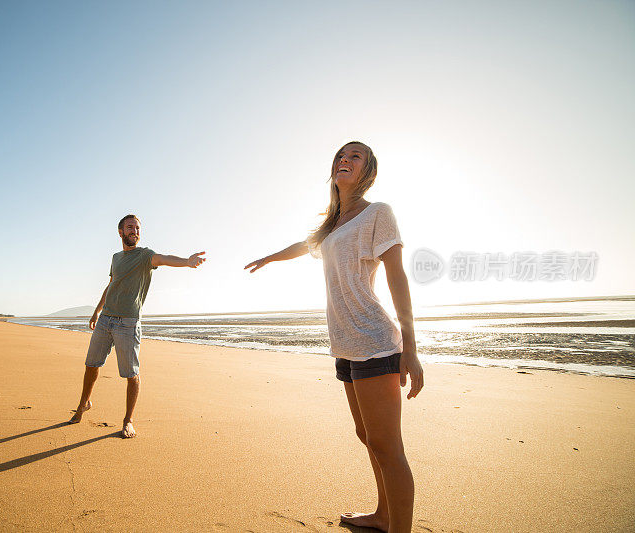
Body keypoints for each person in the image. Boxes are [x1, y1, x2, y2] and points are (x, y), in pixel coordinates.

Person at [244, 141, 424, 533]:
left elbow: (396, 275)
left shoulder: (378, 213)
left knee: (388, 447)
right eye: (340, 155)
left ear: (368, 171)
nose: (345, 159)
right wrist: (271, 257)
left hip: (375, 341)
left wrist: (411, 348)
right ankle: (382, 515)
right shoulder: (332, 224)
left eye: (354, 156)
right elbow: (306, 244)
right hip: (346, 345)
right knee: (367, 436)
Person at [69, 214, 206, 437]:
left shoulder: (145, 256)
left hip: (128, 324)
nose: (135, 231)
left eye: (137, 228)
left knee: (131, 374)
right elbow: (112, 285)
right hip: (105, 320)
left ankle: (128, 420)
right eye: (130, 227)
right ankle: (84, 403)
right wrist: (96, 311)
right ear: (120, 232)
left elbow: (163, 258)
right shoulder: (115, 257)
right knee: (91, 365)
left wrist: (187, 262)